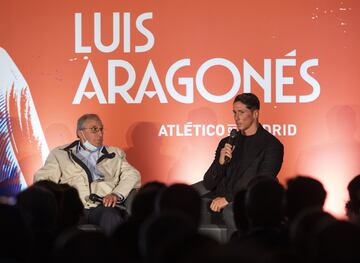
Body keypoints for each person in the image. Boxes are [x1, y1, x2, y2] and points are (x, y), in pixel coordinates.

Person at [34, 113, 141, 235]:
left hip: (102, 207)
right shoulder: (60, 154)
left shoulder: (115, 154)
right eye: (94, 129)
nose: (100, 134)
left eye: (101, 130)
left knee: (110, 216)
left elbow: (133, 175)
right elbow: (43, 179)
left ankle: (117, 252)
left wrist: (116, 194)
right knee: (59, 221)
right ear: (80, 133)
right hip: (73, 208)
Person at [199, 93, 284, 237]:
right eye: (234, 112)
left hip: (246, 197)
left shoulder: (271, 145)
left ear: (255, 113)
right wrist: (220, 163)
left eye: (241, 112)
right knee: (184, 198)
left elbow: (261, 184)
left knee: (231, 210)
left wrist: (228, 199)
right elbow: (208, 182)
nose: (236, 117)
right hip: (219, 191)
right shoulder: (228, 141)